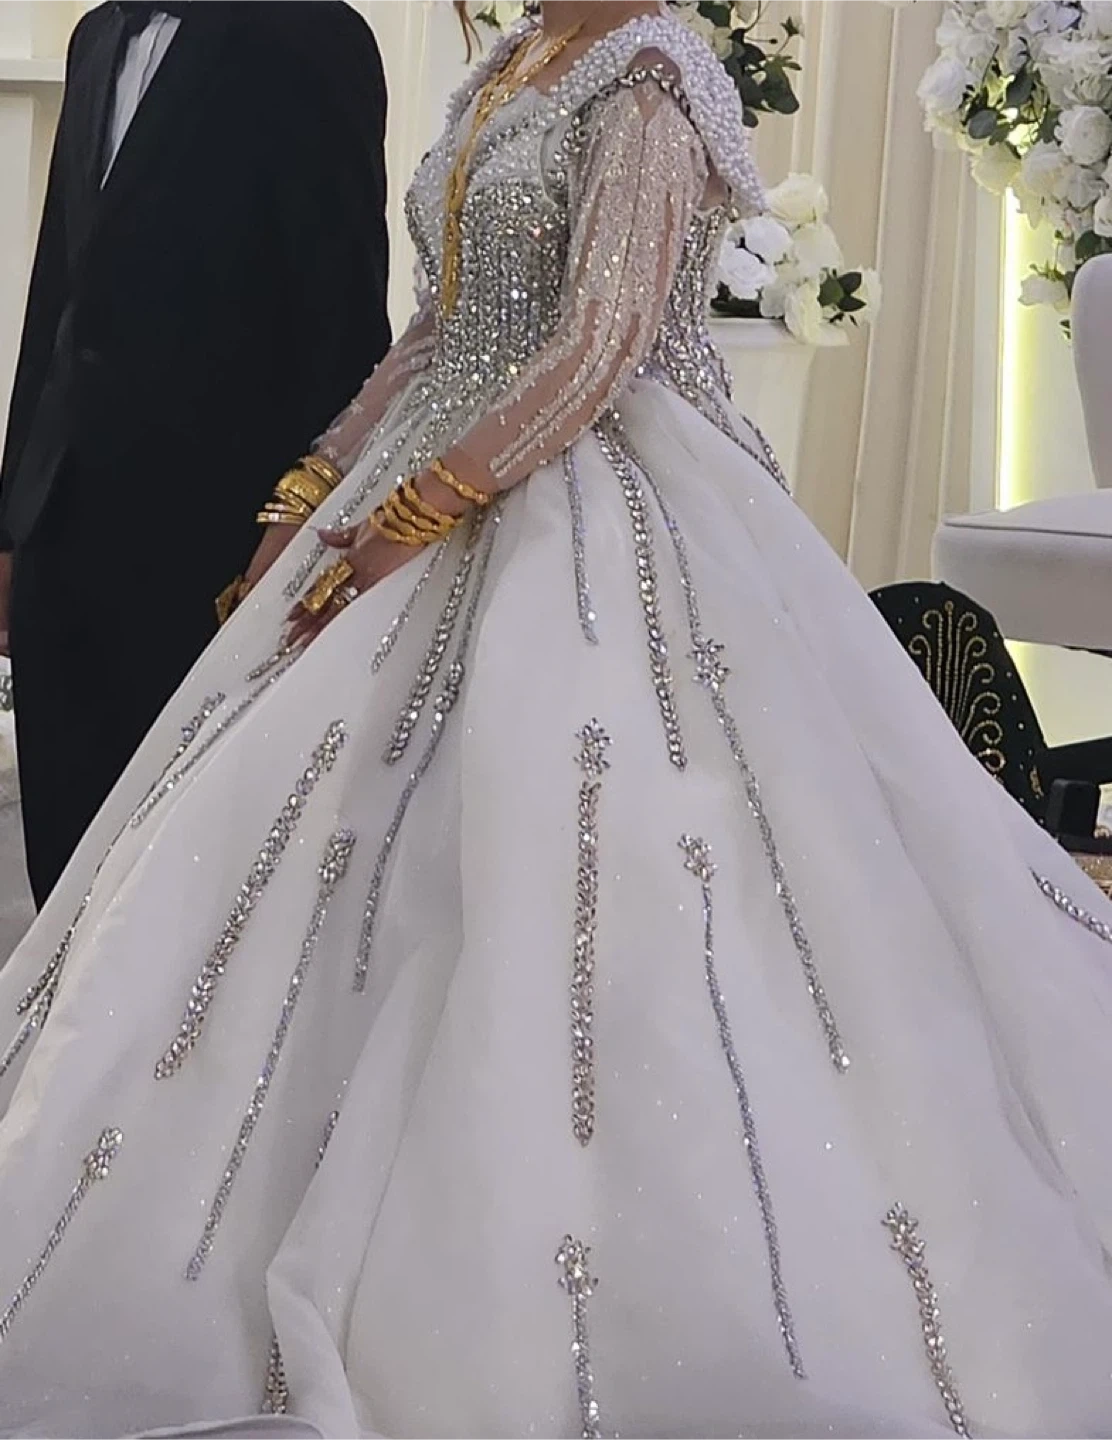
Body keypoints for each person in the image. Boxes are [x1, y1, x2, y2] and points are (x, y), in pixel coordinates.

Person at [2, 0, 1112, 1435]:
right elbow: (438, 330)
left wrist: (420, 508)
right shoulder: (510, 62)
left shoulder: (653, 74)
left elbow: (598, 345)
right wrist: (312, 494)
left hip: (598, 505)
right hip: (424, 472)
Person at [0, 0, 392, 908]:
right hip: (62, 528)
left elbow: (343, 326)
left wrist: (304, 528)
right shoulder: (97, 35)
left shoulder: (314, 38)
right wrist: (12, 522)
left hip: (215, 544)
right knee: (62, 859)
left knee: (182, 887)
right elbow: (58, 291)